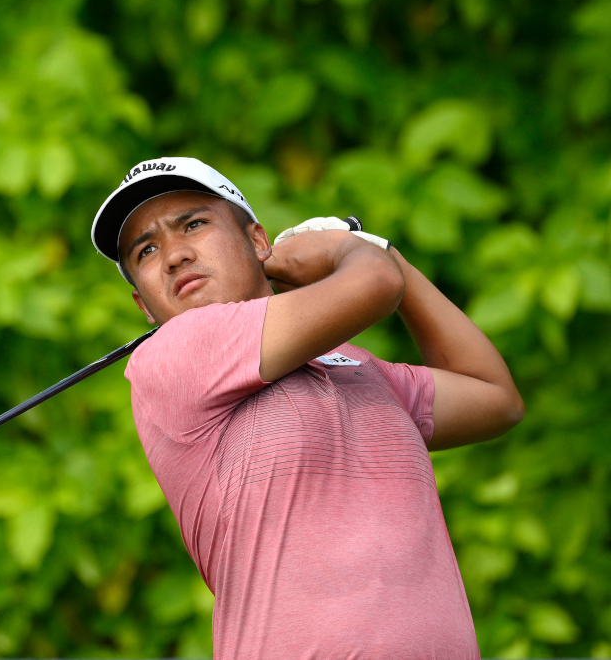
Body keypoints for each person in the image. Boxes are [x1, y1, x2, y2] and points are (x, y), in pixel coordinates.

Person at [90, 157, 524, 660]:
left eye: (193, 224)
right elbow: (374, 286)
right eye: (146, 250)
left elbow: (495, 399)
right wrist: (351, 251)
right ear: (144, 306)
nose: (172, 256)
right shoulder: (174, 354)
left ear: (257, 241)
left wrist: (390, 259)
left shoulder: (358, 368)